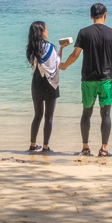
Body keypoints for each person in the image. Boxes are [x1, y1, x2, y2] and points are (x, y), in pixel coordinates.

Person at [60, 3, 112, 157]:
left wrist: (64, 66)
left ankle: (85, 148)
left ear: (91, 16)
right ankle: (103, 149)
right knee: (105, 115)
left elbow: (75, 55)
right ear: (105, 15)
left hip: (88, 79)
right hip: (106, 80)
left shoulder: (84, 33)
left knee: (86, 113)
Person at [26, 21, 68, 153]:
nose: (47, 31)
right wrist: (61, 49)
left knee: (37, 115)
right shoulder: (50, 47)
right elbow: (56, 64)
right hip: (50, 84)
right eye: (46, 29)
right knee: (49, 116)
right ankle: (45, 147)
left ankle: (33, 145)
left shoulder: (31, 49)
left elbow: (36, 65)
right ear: (42, 31)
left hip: (37, 84)